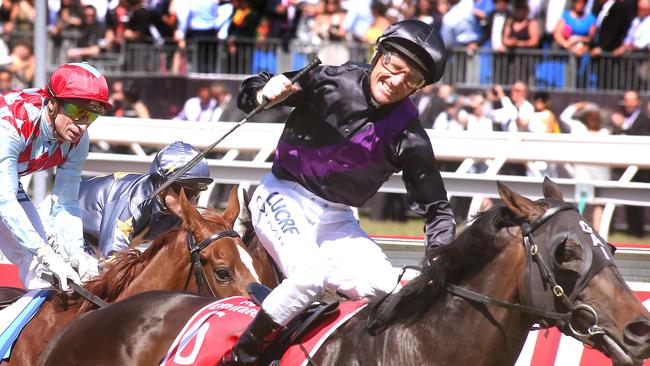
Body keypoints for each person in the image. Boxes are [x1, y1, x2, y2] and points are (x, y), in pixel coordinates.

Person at [221, 19, 456, 365]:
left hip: (337, 217)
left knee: (386, 289)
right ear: (378, 54)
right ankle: (240, 357)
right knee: (309, 278)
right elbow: (250, 91)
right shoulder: (330, 79)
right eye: (394, 66)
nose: (396, 81)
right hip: (284, 193)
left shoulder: (410, 135)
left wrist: (442, 263)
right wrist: (264, 92)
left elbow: (438, 209)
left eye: (412, 79)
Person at [0, 62, 111, 291]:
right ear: (53, 103)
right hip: (4, 191)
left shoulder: (78, 141)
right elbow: (5, 200)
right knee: (39, 251)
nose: (82, 125)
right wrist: (42, 251)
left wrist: (76, 251)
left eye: (91, 116)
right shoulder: (12, 123)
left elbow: (66, 202)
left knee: (41, 268)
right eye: (77, 111)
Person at [78, 141, 213, 259]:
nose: (192, 203)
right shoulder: (133, 201)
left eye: (196, 193)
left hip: (98, 243)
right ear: (161, 184)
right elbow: (111, 258)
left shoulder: (173, 211)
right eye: (186, 191)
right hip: (71, 231)